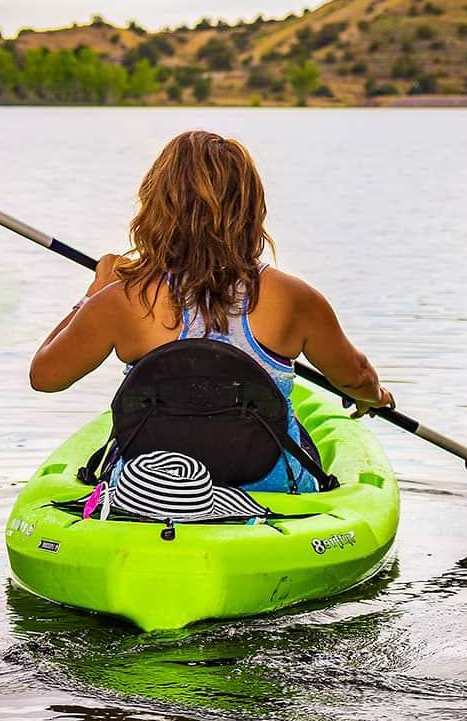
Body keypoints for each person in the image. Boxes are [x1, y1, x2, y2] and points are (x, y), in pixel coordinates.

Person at [30, 130, 394, 493]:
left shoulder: (123, 299)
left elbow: (46, 376)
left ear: (156, 205)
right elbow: (355, 374)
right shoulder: (292, 297)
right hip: (269, 488)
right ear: (250, 209)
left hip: (150, 488)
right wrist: (374, 396)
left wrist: (93, 294)